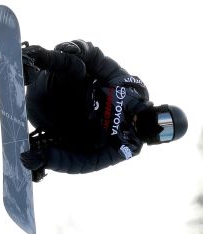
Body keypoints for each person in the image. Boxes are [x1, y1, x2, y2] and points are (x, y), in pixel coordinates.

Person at [19, 40, 188, 181]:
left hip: (51, 120)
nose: (159, 129)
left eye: (165, 134)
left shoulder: (127, 146)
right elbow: (97, 60)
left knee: (95, 140)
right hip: (51, 87)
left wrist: (46, 159)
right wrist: (79, 48)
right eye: (164, 122)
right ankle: (33, 58)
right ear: (159, 110)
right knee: (78, 67)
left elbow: (87, 162)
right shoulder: (134, 89)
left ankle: (39, 149)